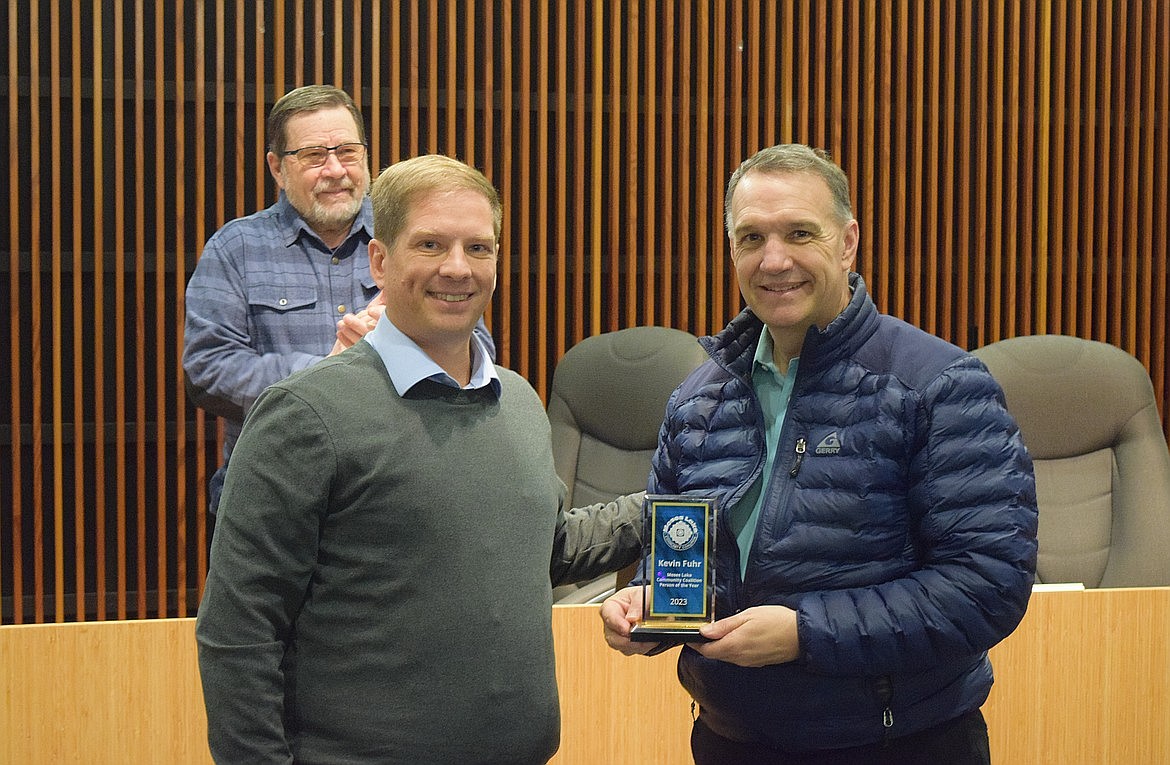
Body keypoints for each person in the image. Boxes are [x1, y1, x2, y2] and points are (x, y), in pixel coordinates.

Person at [195, 154, 644, 764]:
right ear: (380, 260)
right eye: (430, 244)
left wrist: (675, 509)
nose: (457, 268)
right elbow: (239, 632)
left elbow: (542, 547)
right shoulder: (305, 413)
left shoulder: (517, 401)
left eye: (478, 248)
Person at [600, 143, 1038, 764]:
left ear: (848, 241)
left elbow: (987, 586)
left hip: (898, 743)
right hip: (730, 741)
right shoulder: (697, 401)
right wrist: (651, 604)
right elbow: (684, 560)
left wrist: (806, 634)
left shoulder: (937, 386)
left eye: (798, 233)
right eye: (751, 238)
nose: (773, 260)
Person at [183, 85, 494, 514]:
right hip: (275, 494)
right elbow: (207, 371)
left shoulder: (411, 238)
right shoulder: (235, 247)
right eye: (314, 156)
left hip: (405, 492)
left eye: (348, 152)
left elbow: (479, 353)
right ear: (277, 168)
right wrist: (329, 374)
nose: (335, 170)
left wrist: (399, 349)